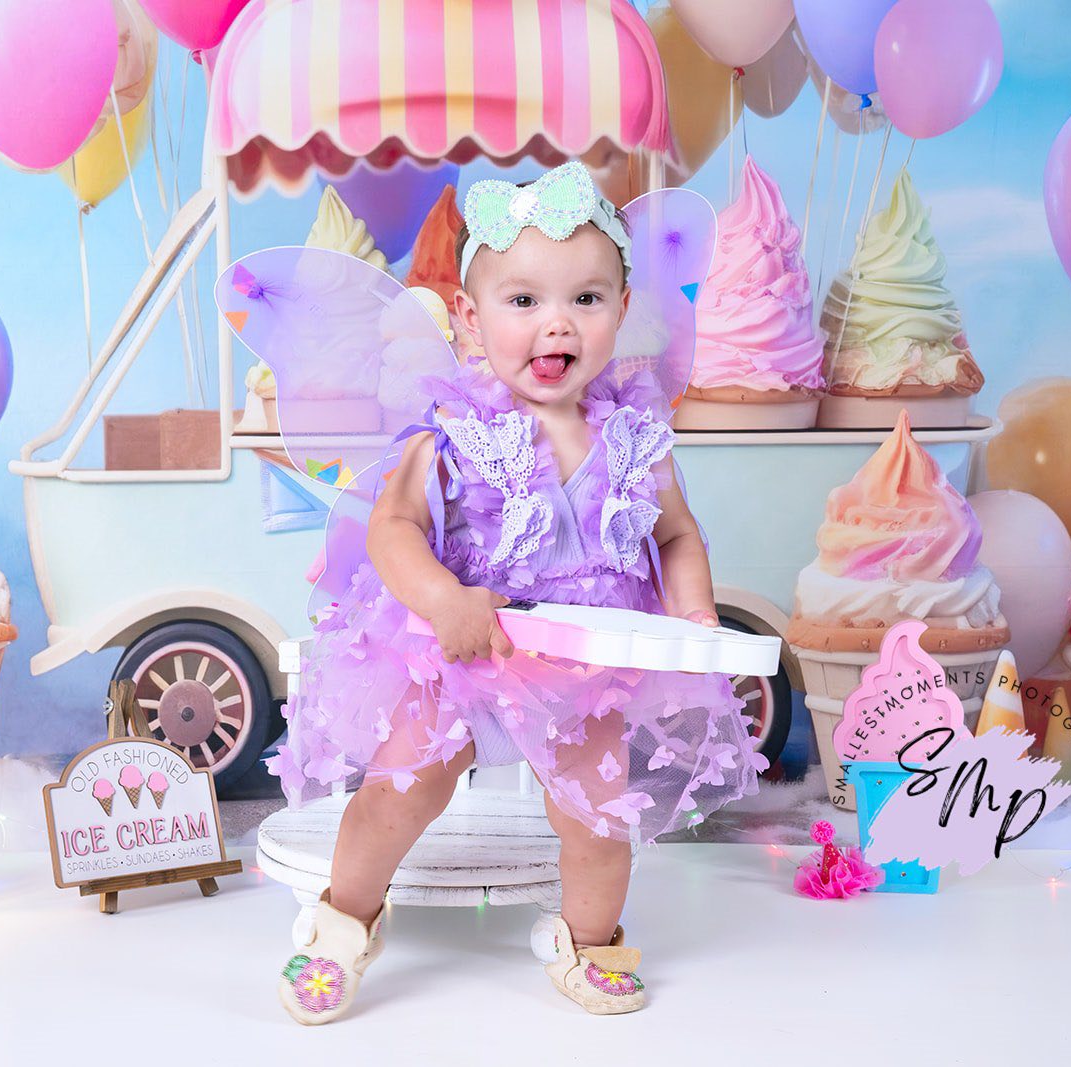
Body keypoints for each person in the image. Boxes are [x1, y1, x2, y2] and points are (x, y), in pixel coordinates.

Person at [267, 162, 765, 1023]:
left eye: (586, 299)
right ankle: (343, 921)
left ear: (622, 309)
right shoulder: (452, 433)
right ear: (470, 317)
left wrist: (693, 615)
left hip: (581, 671)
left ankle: (589, 938)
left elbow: (677, 535)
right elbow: (392, 529)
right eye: (524, 300)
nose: (556, 322)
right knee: (396, 795)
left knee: (601, 818)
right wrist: (444, 599)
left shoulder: (636, 440)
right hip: (460, 657)